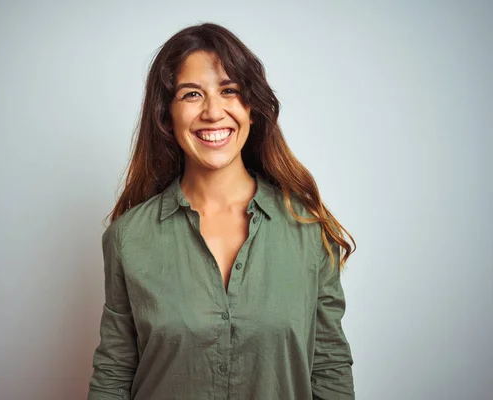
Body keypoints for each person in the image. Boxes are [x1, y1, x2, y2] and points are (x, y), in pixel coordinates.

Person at [87, 22, 356, 400]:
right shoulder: (128, 239)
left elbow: (329, 369)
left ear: (251, 109)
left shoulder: (308, 229)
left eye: (229, 90)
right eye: (192, 94)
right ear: (167, 116)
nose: (214, 112)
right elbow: (114, 372)